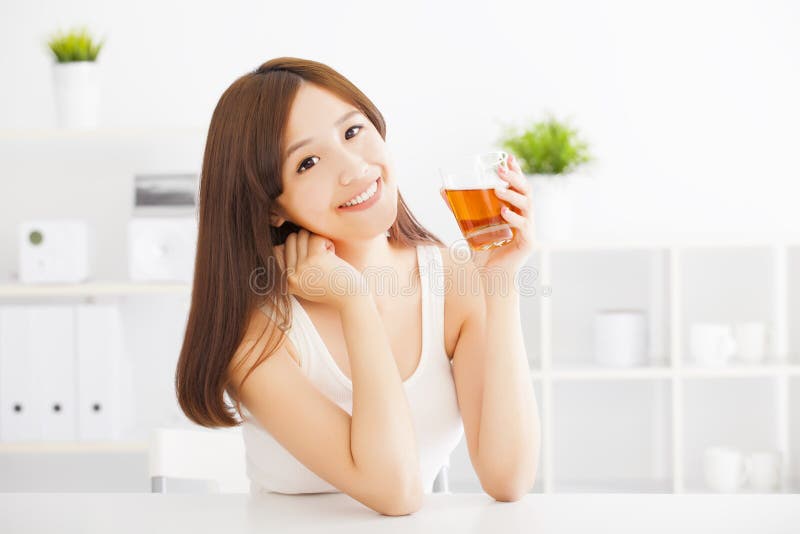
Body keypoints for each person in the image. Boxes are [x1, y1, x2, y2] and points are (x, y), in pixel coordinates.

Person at [175, 57, 541, 516]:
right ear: (272, 208)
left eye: (352, 132)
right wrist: (354, 301)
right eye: (307, 162)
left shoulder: (451, 282)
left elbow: (508, 478)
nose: (353, 168)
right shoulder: (257, 332)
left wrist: (501, 280)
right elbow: (396, 492)